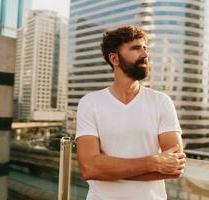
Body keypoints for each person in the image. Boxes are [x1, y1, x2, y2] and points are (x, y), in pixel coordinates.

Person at [76, 25, 185, 200]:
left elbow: (175, 168)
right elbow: (89, 167)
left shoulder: (161, 102)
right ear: (114, 58)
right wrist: (153, 162)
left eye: (145, 48)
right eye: (135, 48)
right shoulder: (90, 103)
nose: (145, 54)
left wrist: (107, 171)